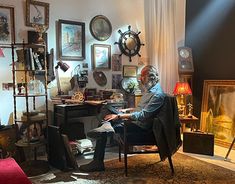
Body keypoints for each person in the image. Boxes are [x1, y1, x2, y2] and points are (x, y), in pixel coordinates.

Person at [79, 65, 166, 172]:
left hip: (140, 126)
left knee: (107, 123)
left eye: (142, 76)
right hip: (135, 121)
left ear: (150, 77)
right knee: (107, 106)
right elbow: (140, 109)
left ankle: (98, 161)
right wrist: (126, 110)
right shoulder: (150, 91)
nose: (140, 79)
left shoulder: (158, 95)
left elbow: (143, 115)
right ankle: (106, 127)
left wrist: (119, 116)